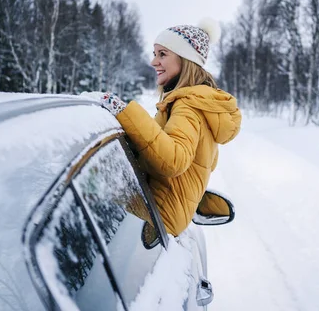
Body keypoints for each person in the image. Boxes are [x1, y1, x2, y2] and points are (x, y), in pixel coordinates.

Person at [99, 18, 242, 236]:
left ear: (185, 60)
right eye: (155, 53)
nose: (154, 61)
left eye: (162, 54)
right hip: (164, 214)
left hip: (157, 217)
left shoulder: (188, 105)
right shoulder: (201, 102)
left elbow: (173, 160)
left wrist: (123, 111)